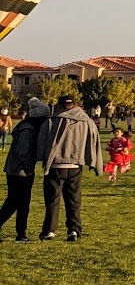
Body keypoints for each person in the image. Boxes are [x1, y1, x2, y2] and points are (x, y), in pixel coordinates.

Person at [38, 93, 102, 240]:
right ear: (75, 104)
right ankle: (73, 229)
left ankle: (49, 230)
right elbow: (94, 141)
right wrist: (94, 163)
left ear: (59, 105)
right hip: (75, 165)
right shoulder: (86, 121)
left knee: (52, 200)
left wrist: (41, 158)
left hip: (55, 165)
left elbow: (42, 142)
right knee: (74, 199)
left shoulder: (52, 121)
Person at [2, 98, 49, 241]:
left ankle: (21, 233)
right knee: (19, 203)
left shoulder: (26, 127)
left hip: (17, 169)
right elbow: (22, 152)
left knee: (15, 203)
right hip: (20, 171)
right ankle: (21, 233)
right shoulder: (28, 130)